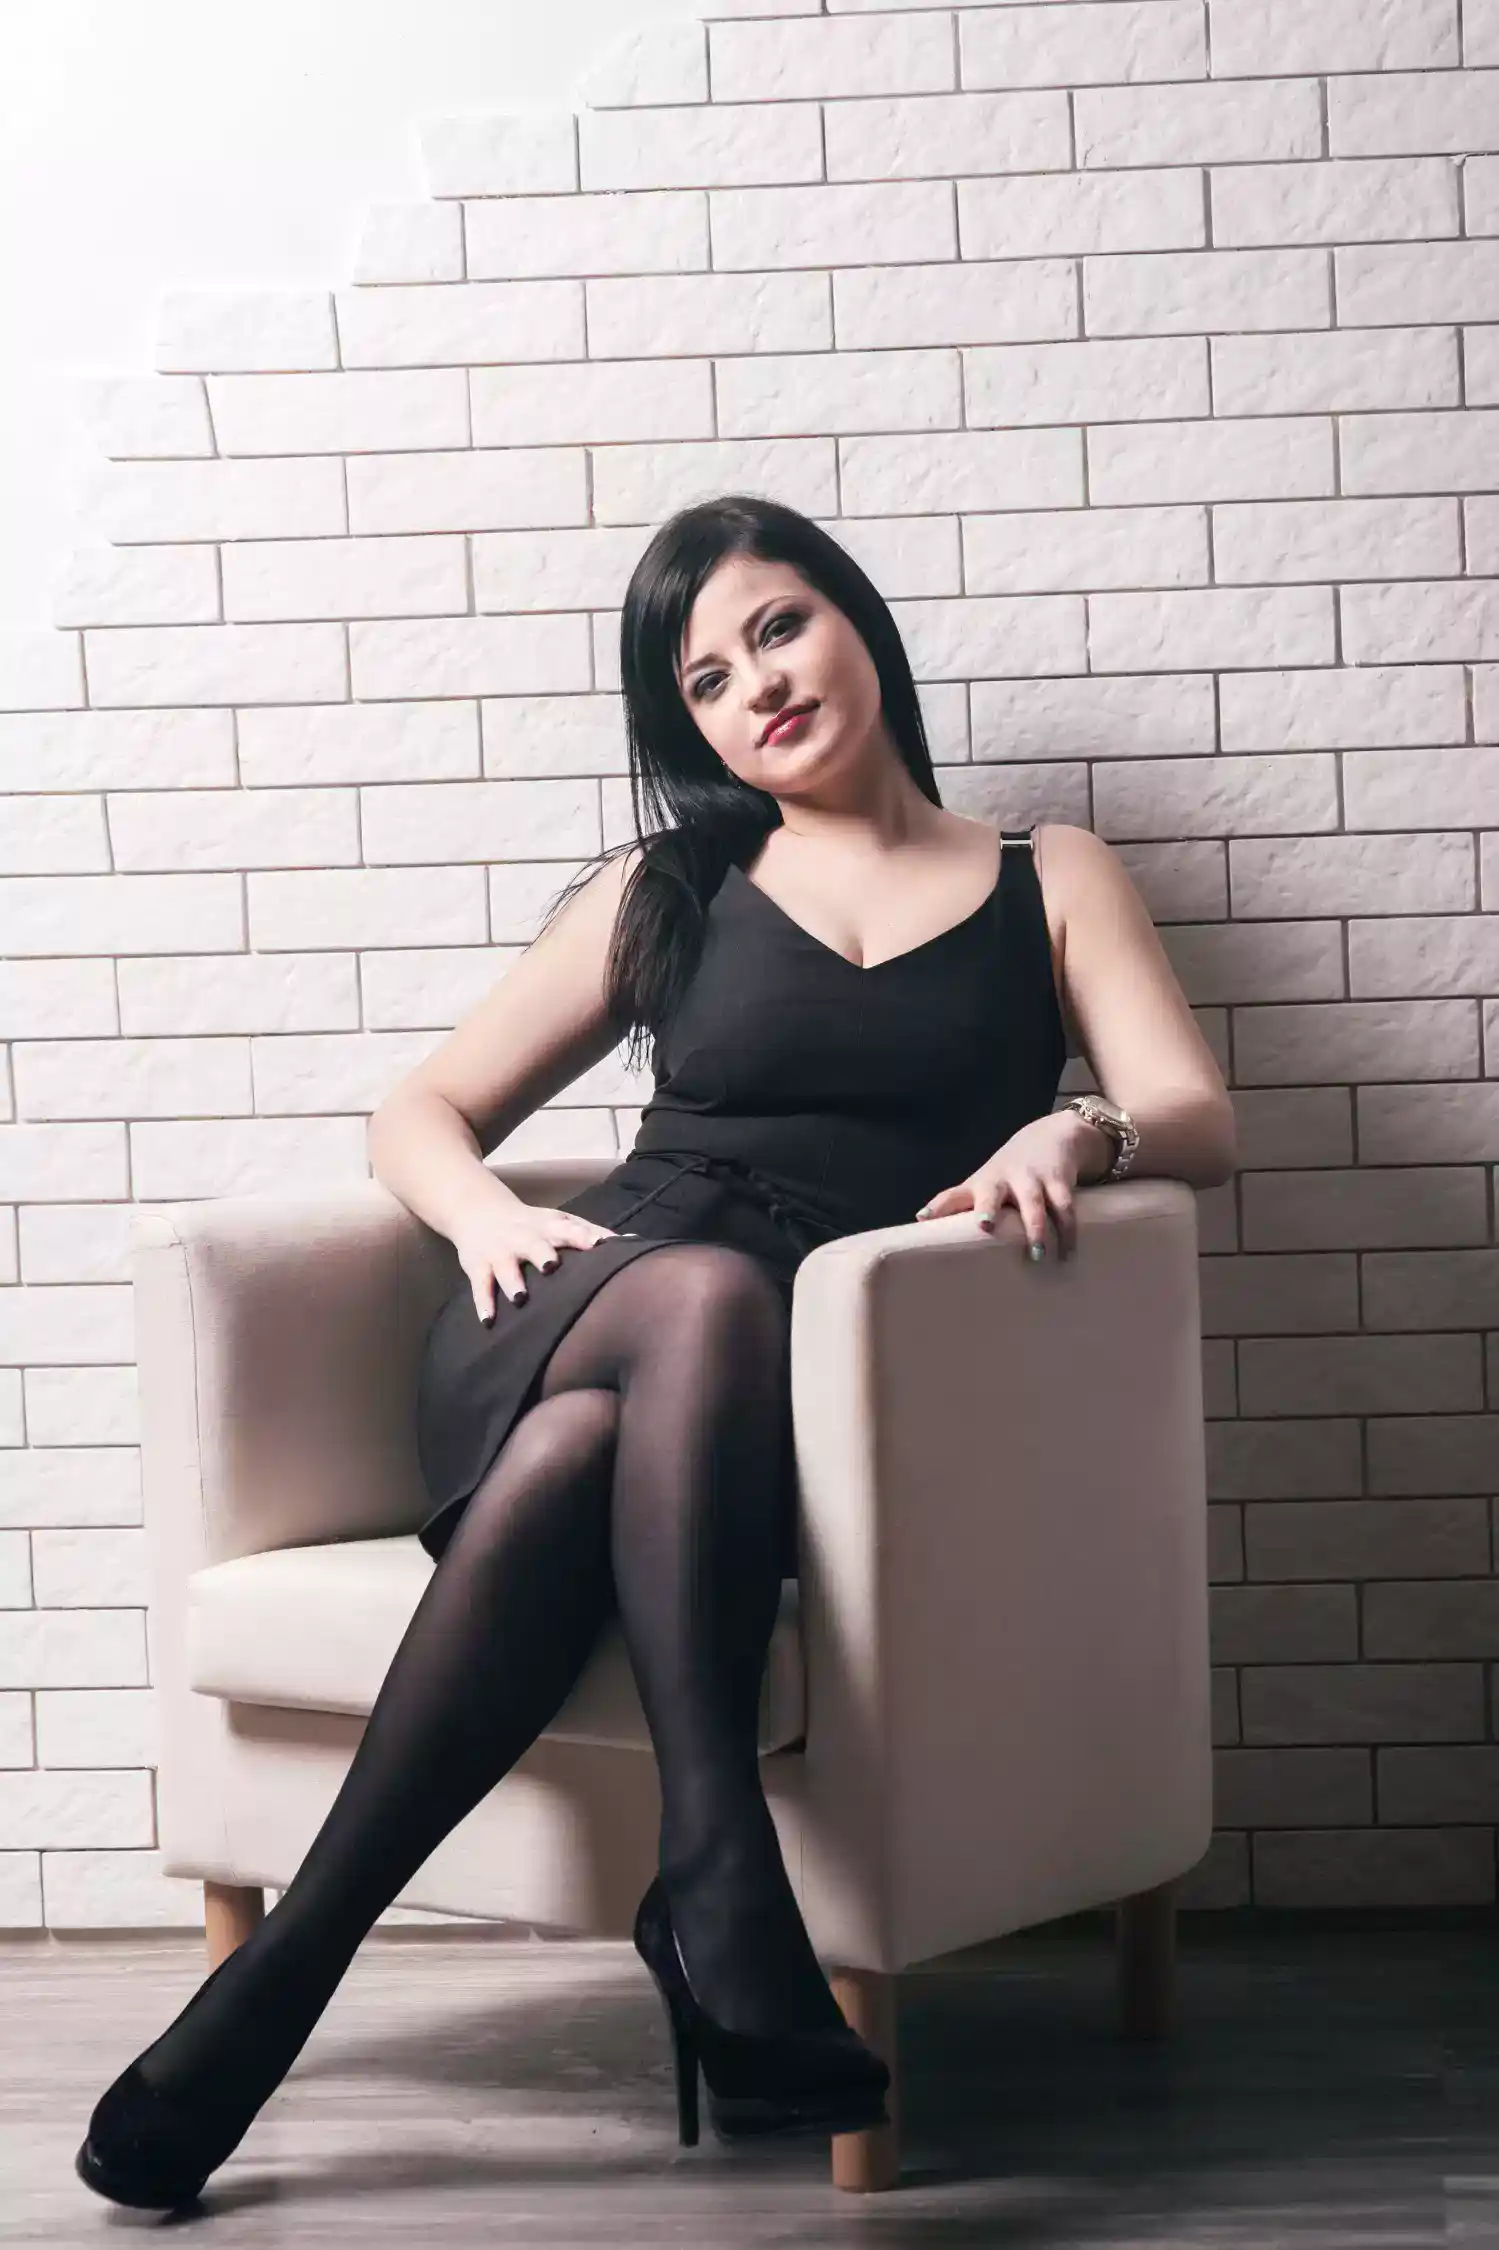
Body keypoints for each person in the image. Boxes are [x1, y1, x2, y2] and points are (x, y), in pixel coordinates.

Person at [75, 493, 1237, 2211]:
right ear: (692, 729)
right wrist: (485, 1219)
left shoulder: (1042, 877)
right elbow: (422, 1108)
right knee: (695, 1297)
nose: (757, 685)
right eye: (705, 680)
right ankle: (717, 1875)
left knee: (589, 1452)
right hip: (588, 1309)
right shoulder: (670, 887)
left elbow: (1193, 1112)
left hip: (798, 1414)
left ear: (853, 622)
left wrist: (1078, 1129)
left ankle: (277, 1980)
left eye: (777, 628)